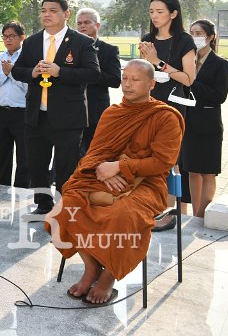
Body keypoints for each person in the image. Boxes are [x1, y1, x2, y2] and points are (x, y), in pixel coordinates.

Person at [46, 59, 184, 305]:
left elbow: (163, 162)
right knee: (66, 205)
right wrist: (102, 170)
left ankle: (109, 276)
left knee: (124, 214)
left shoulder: (165, 117)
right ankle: (90, 268)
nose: (127, 85)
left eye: (135, 80)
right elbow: (95, 153)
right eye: (124, 79)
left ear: (151, 84)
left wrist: (120, 167)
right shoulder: (113, 113)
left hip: (147, 184)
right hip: (103, 178)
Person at [11, 0, 100, 218]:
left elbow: (93, 73)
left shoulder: (81, 42)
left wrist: (61, 72)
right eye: (43, 11)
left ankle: (64, 206)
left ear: (66, 14)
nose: (46, 15)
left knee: (66, 166)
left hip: (68, 118)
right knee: (36, 164)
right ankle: (43, 203)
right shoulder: (31, 42)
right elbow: (17, 70)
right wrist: (31, 72)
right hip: (36, 115)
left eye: (53, 10)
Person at [138, 0, 196, 229]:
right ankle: (152, 208)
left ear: (173, 14)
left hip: (172, 107)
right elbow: (142, 71)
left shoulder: (184, 41)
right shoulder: (147, 38)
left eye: (160, 11)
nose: (154, 16)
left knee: (170, 160)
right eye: (151, 11)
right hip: (147, 106)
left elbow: (188, 79)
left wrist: (158, 62)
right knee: (146, 157)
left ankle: (174, 212)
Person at [182, 19, 228, 218]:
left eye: (199, 33)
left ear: (210, 37)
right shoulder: (186, 61)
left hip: (209, 125)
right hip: (189, 123)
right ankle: (195, 214)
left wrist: (192, 82)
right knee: (192, 171)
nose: (195, 37)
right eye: (192, 32)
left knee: (208, 172)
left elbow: (219, 96)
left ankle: (203, 214)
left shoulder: (220, 64)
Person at [0, 21, 29, 188]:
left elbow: (28, 86)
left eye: (12, 36)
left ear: (22, 37)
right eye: (5, 36)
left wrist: (11, 73)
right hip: (1, 112)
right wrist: (5, 75)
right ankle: (2, 186)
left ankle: (21, 189)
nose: (8, 40)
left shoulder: (28, 57)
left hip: (22, 113)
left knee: (24, 155)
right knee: (2, 153)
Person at [75, 8, 122, 155]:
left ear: (98, 25)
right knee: (68, 156)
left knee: (93, 154)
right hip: (71, 109)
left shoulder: (109, 50)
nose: (82, 26)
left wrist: (90, 73)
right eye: (79, 23)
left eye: (87, 22)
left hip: (96, 111)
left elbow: (115, 80)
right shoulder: (68, 49)